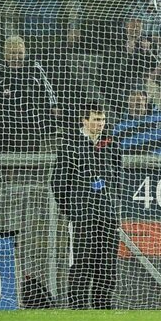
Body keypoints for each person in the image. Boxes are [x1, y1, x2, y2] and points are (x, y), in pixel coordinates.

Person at [52, 103, 122, 309]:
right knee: (82, 261)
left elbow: (118, 178)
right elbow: (58, 183)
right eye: (95, 119)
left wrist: (110, 202)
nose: (99, 124)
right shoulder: (70, 145)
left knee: (107, 263)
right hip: (82, 215)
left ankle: (103, 306)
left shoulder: (112, 145)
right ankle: (79, 306)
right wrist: (73, 209)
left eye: (102, 120)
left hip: (107, 214)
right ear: (84, 120)